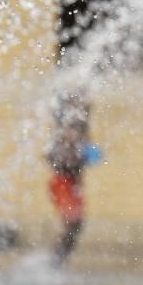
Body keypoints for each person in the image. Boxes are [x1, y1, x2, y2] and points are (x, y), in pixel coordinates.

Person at [46, 89, 91, 264]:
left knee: (76, 225)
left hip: (71, 184)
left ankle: (58, 260)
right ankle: (55, 261)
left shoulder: (79, 131)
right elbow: (52, 158)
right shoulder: (63, 135)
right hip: (62, 183)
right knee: (73, 223)